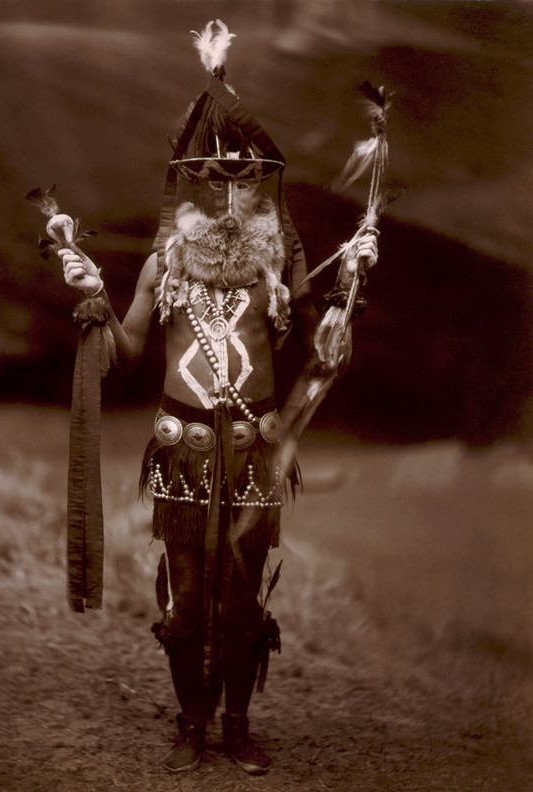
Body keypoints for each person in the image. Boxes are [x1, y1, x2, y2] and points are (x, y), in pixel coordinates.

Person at [57, 21, 378, 776]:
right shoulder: (161, 270)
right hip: (182, 450)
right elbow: (128, 352)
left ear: (262, 192)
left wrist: (348, 292)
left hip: (256, 453)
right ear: (192, 188)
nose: (231, 197)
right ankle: (190, 722)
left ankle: (236, 724)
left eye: (244, 182)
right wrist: (97, 306)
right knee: (188, 597)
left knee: (243, 600)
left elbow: (318, 347)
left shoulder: (276, 273)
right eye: (215, 181)